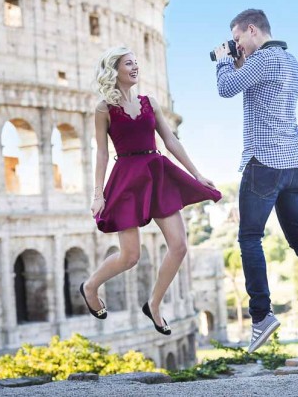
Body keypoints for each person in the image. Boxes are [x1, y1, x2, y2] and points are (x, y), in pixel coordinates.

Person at [213, 9, 298, 353]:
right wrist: (241, 59)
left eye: (239, 38)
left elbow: (226, 88)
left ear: (252, 30)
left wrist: (223, 60)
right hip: (295, 165)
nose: (237, 44)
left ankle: (261, 315)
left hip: (265, 164)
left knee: (249, 238)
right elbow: (256, 87)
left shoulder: (266, 60)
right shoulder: (291, 61)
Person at [80, 46, 222, 336]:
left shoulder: (150, 102)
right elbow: (102, 154)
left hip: (157, 173)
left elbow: (170, 140)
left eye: (136, 63)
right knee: (130, 256)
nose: (135, 68)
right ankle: (91, 286)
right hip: (127, 178)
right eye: (128, 64)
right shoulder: (104, 108)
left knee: (179, 246)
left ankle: (154, 305)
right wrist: (98, 194)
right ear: (114, 70)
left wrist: (197, 174)